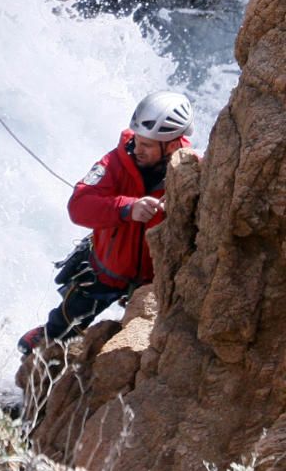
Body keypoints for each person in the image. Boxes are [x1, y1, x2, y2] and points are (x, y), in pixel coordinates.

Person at [17, 91, 194, 356]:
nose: (137, 148)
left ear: (170, 146)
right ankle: (44, 341)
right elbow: (78, 206)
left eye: (147, 144)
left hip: (153, 283)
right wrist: (127, 208)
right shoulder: (114, 163)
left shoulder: (190, 171)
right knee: (60, 330)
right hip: (104, 272)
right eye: (137, 140)